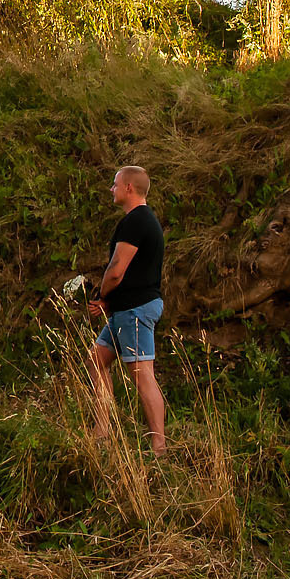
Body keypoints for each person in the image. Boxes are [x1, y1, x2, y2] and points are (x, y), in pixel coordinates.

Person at [84, 164, 168, 455]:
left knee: (143, 374)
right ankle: (102, 431)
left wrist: (101, 292)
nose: (112, 189)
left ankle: (159, 447)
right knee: (97, 359)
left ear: (129, 188)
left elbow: (117, 270)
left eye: (115, 184)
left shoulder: (136, 221)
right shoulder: (143, 221)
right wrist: (109, 302)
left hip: (135, 310)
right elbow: (134, 273)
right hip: (124, 309)